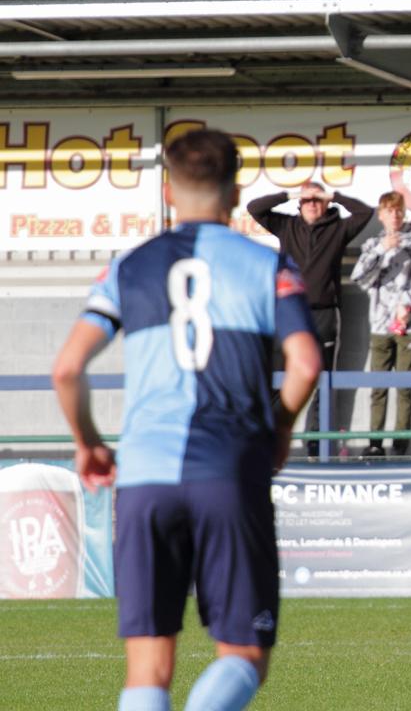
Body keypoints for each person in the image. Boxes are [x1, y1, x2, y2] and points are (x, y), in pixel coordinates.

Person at [51, 129, 322, 711]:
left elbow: (67, 369)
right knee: (243, 655)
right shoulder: (268, 264)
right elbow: (305, 362)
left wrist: (88, 442)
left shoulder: (129, 267)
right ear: (236, 190)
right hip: (229, 469)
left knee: (148, 669)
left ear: (169, 192)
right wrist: (279, 426)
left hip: (145, 477)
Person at [248, 181, 374, 454]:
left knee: (321, 379)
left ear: (326, 202)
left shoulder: (338, 228)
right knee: (277, 375)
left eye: (317, 200)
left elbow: (365, 212)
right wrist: (291, 193)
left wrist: (332, 195)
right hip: (287, 311)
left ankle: (317, 444)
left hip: (324, 313)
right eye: (307, 200)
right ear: (299, 203)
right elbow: (255, 208)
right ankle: (268, 436)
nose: (312, 204)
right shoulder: (286, 225)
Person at [351, 191, 411, 456]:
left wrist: (406, 301)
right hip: (380, 325)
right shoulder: (373, 244)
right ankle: (375, 443)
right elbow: (359, 278)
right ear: (380, 215)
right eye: (389, 211)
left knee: (405, 386)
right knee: (378, 387)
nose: (395, 215)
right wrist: (381, 250)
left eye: (399, 210)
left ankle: (400, 444)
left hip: (409, 325)